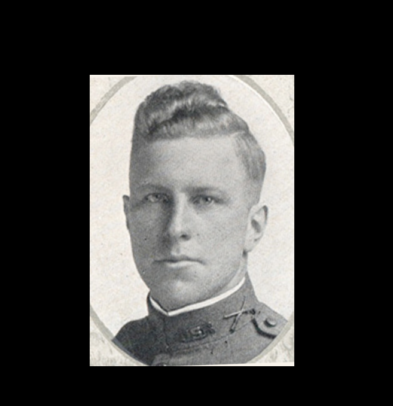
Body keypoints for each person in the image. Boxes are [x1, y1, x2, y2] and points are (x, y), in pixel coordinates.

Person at [113, 80, 287, 366]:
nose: (175, 229)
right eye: (156, 198)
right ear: (128, 215)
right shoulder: (115, 348)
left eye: (205, 200)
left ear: (253, 227)